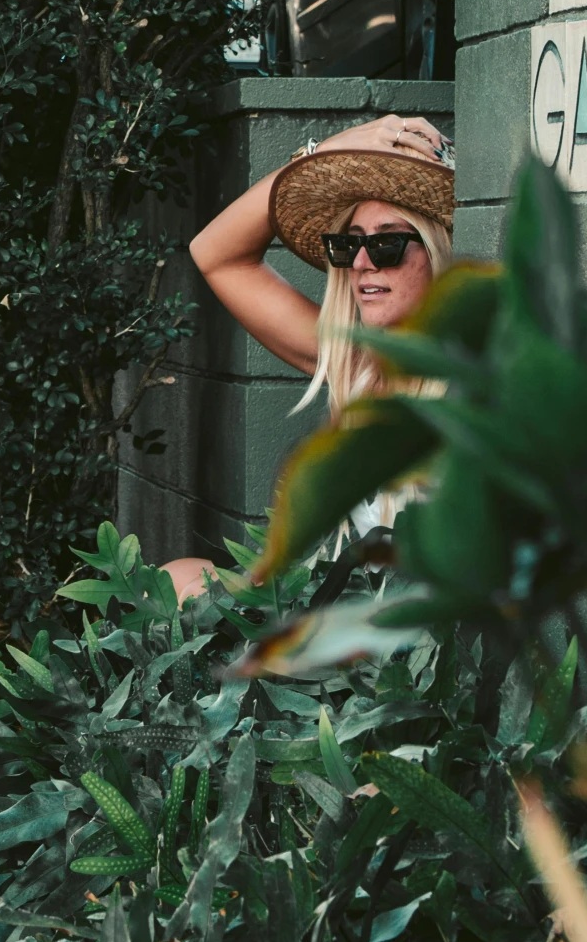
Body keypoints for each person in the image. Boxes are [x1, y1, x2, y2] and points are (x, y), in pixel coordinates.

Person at [161, 112, 455, 601]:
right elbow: (212, 252)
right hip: (331, 607)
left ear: (438, 249)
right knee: (174, 581)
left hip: (402, 654)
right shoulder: (356, 364)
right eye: (349, 244)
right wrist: (326, 151)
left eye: (386, 244)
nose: (362, 263)